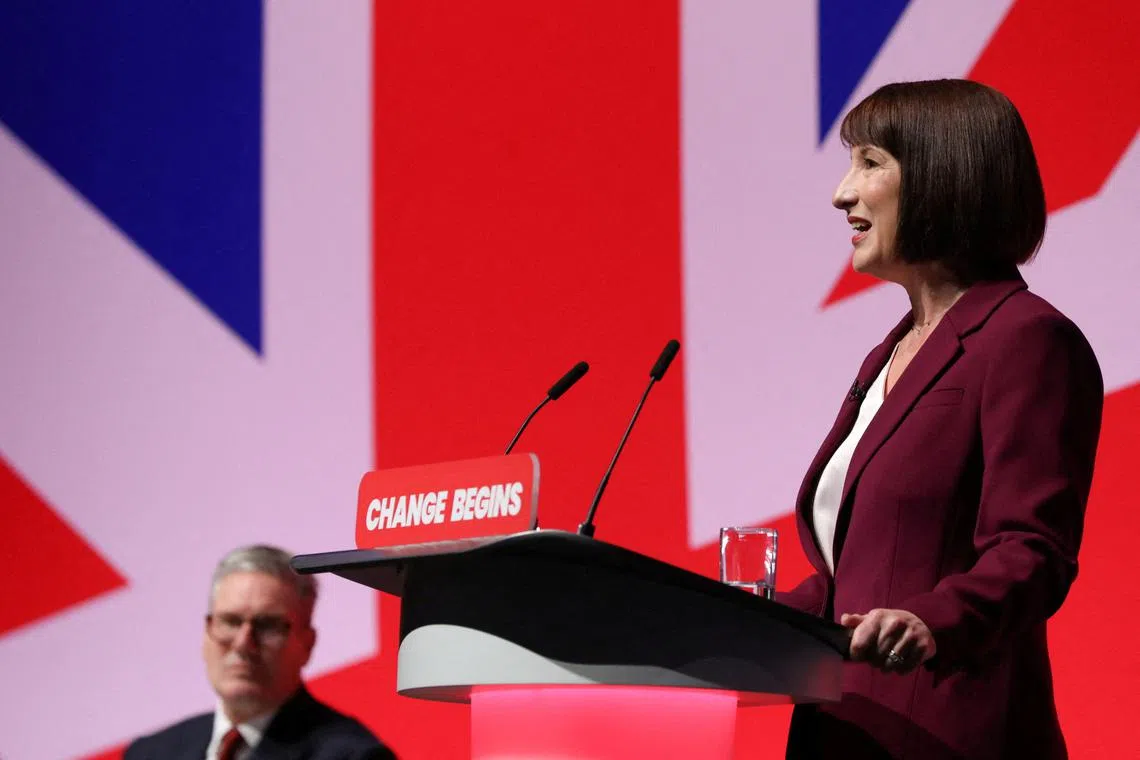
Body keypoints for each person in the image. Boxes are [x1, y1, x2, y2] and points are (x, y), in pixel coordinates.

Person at [778, 79, 1103, 760]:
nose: (841, 193)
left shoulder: (1026, 338)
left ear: (941, 175)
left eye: (869, 163)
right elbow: (853, 578)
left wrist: (930, 620)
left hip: (943, 732)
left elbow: (1032, 549)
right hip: (842, 730)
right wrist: (721, 618)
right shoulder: (888, 353)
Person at [125, 544, 396, 760]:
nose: (243, 643)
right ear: (206, 631)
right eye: (230, 621)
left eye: (267, 625)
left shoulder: (353, 755)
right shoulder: (150, 753)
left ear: (308, 643)